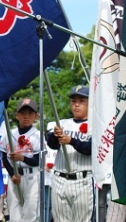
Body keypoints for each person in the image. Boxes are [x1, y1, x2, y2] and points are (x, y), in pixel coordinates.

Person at [46, 85, 94, 222]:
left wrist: (71, 140)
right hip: (60, 178)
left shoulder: (95, 124)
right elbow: (52, 145)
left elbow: (90, 148)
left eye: (81, 101)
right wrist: (55, 136)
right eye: (73, 101)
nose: (76, 105)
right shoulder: (62, 123)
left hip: (83, 179)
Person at [0, 98, 42, 222]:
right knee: (14, 215)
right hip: (15, 177)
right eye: (23, 113)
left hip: (32, 177)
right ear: (17, 115)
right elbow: (4, 158)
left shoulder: (38, 135)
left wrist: (22, 157)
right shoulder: (8, 134)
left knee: (31, 214)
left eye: (30, 113)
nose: (26, 116)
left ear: (36, 116)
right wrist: (12, 174)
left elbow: (38, 160)